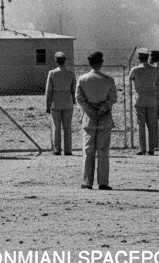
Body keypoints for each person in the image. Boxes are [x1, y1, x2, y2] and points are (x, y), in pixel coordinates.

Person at [76, 51, 117, 190]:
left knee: (88, 151)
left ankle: (87, 182)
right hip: (104, 118)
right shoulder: (109, 80)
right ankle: (103, 182)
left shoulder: (82, 79)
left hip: (89, 119)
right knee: (103, 151)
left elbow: (79, 98)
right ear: (101, 62)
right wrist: (102, 109)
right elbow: (113, 99)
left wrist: (91, 111)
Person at [44, 51, 76, 155]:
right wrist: (73, 101)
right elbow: (73, 90)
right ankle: (68, 149)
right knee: (67, 127)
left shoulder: (52, 73)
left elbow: (48, 90)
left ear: (56, 60)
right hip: (67, 102)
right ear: (64, 61)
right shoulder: (71, 74)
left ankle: (57, 149)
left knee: (56, 127)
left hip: (55, 102)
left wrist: (47, 105)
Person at [129, 48, 159, 155]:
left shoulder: (135, 70)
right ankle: (151, 148)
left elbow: (130, 79)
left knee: (141, 125)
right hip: (151, 99)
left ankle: (142, 148)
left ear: (139, 58)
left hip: (140, 98)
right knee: (151, 125)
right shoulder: (155, 69)